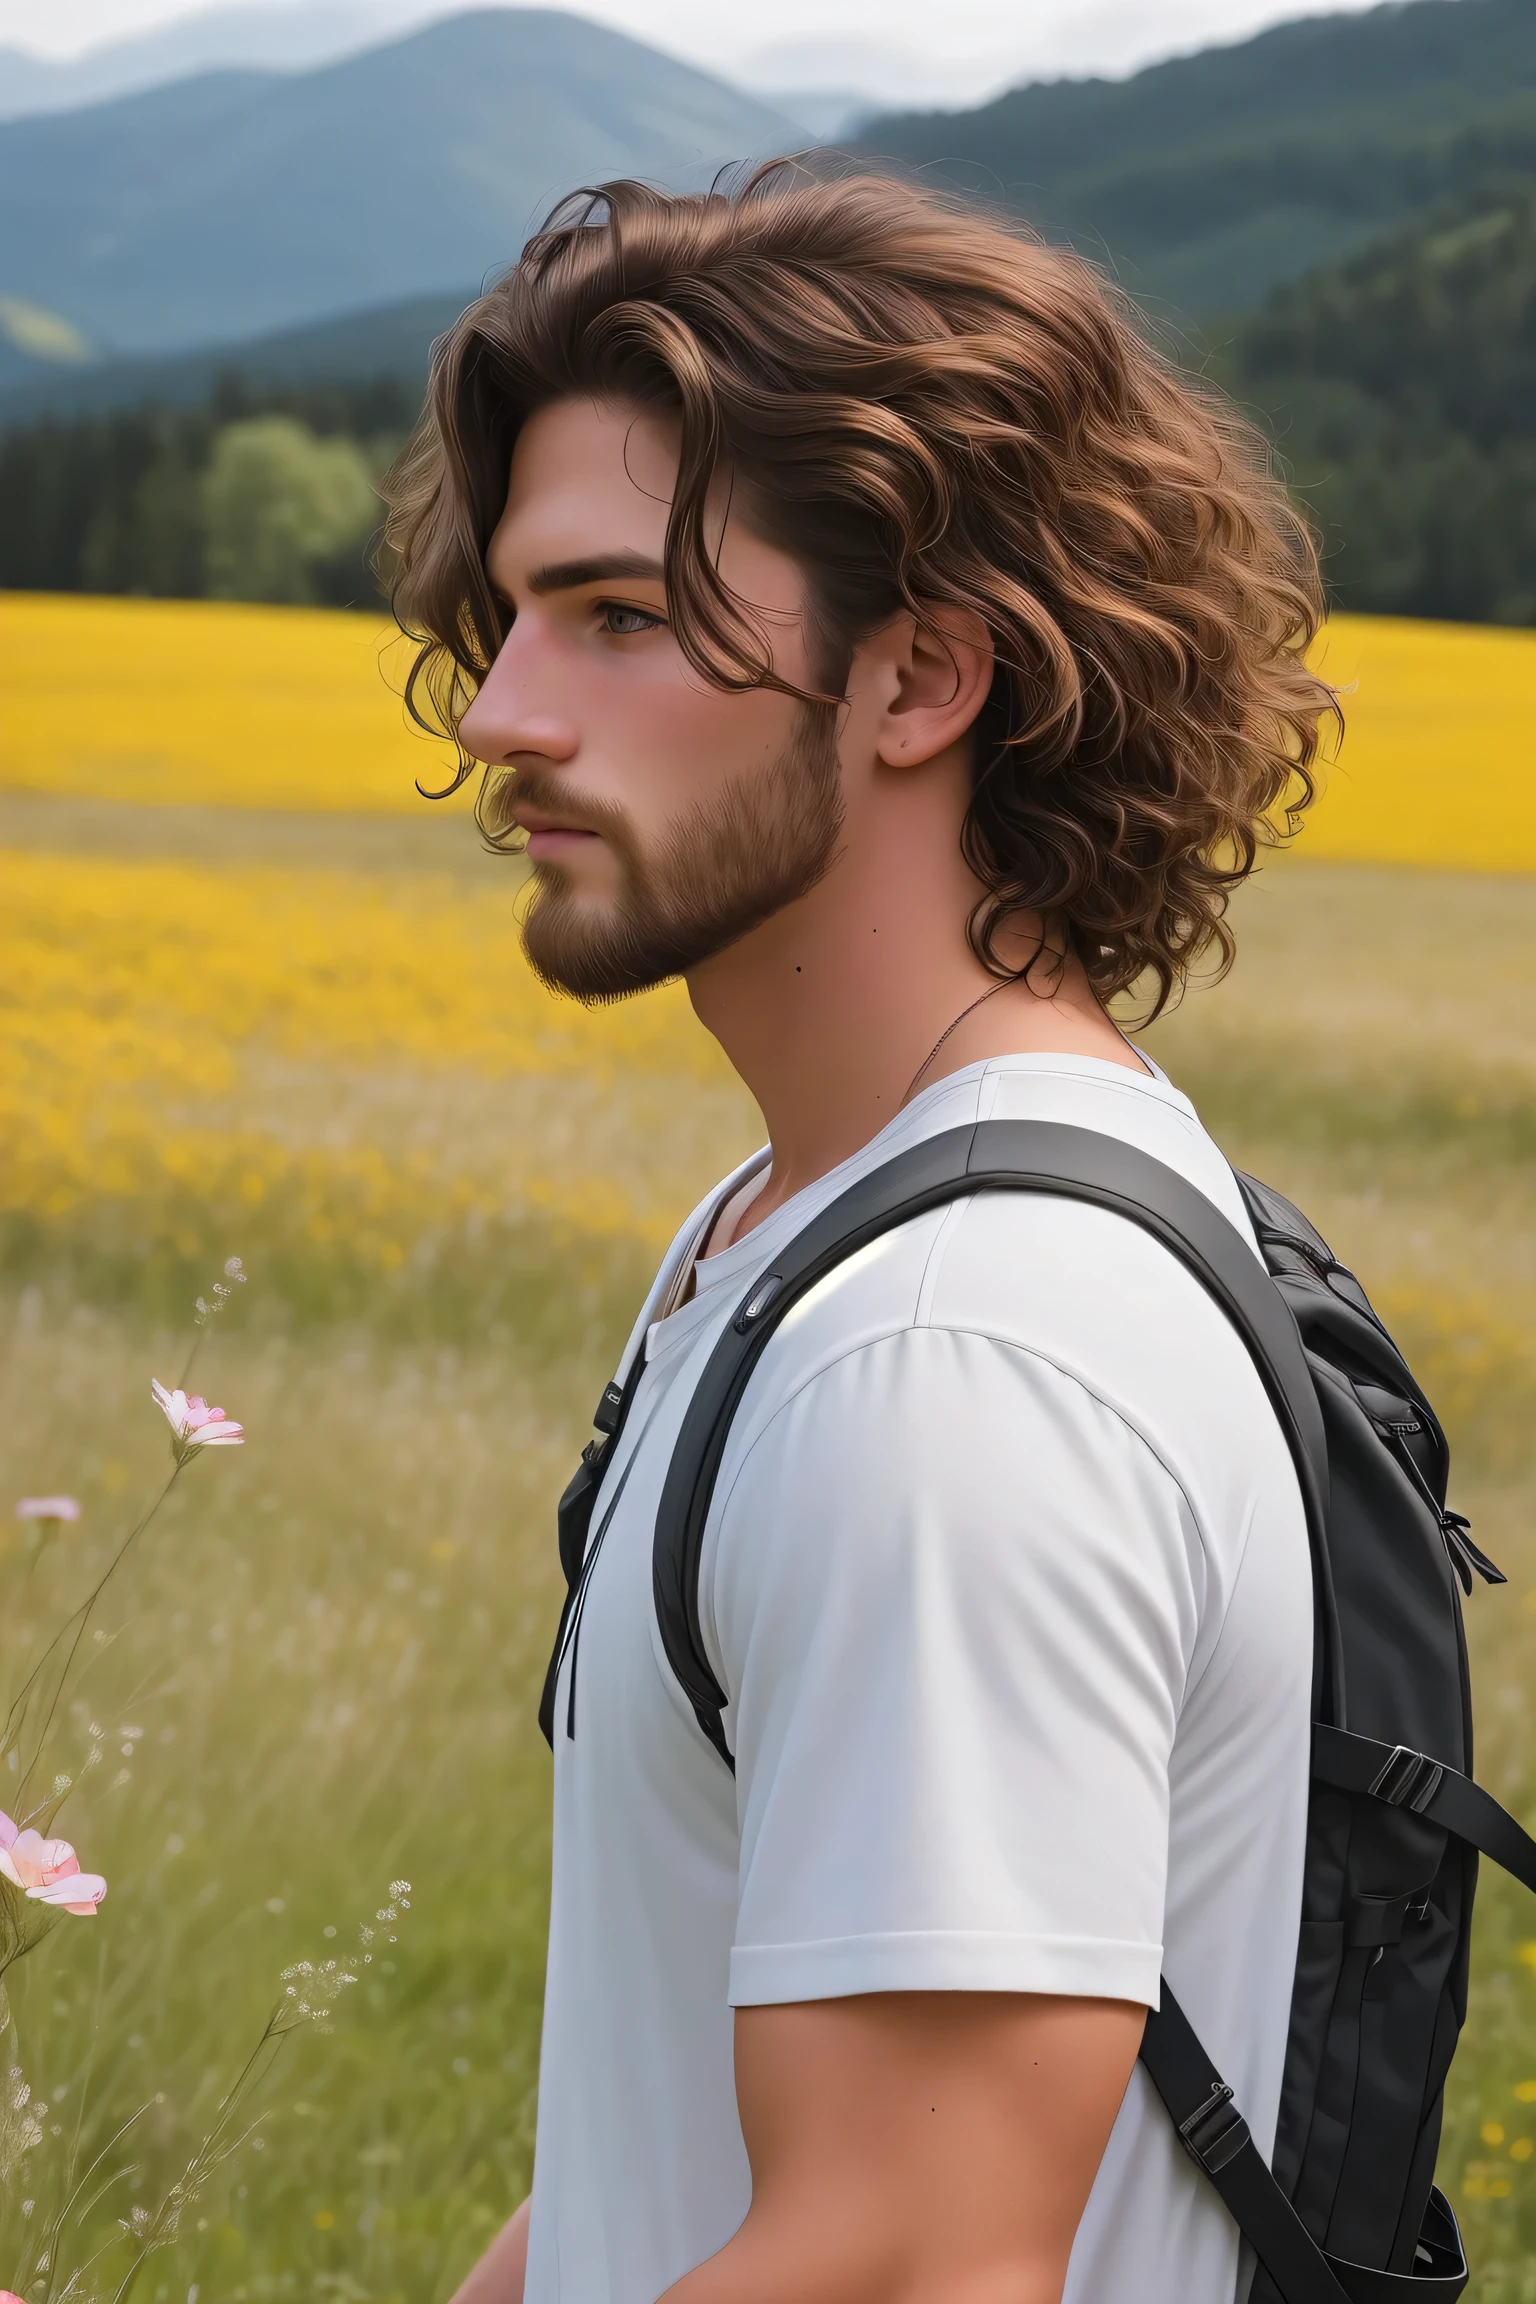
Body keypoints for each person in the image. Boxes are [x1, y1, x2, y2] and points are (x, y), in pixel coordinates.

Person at [383, 165, 1336, 2304]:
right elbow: (685, 2160)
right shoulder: (807, 1234)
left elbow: (905, 2265)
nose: (501, 717)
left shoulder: (954, 1353)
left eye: (621, 619)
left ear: (916, 683)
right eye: (513, 616)